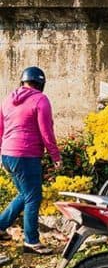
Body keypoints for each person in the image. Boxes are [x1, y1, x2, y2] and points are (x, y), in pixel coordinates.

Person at [0, 66, 62, 255]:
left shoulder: (7, 99)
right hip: (26, 154)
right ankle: (31, 241)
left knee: (24, 194)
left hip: (8, 154)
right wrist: (55, 156)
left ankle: (1, 226)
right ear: (41, 83)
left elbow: (0, 129)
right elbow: (46, 131)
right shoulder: (40, 99)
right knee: (33, 197)